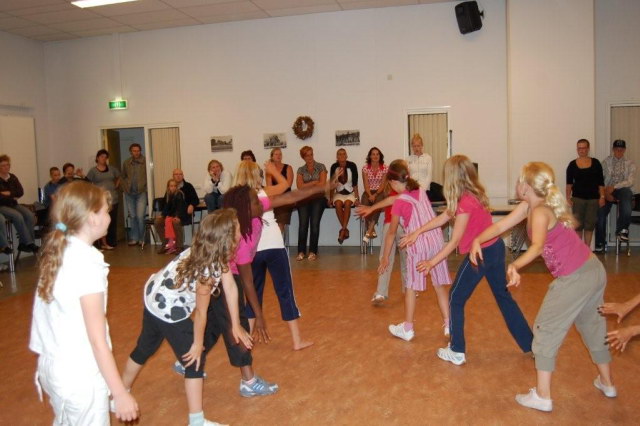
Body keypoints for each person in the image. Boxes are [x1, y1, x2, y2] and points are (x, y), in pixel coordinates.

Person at [470, 162, 615, 412]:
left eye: (519, 180)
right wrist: (477, 239)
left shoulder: (539, 212)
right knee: (592, 326)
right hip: (592, 270)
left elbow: (537, 247)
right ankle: (607, 383)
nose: (517, 183)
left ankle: (543, 396)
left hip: (575, 278)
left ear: (526, 186)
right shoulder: (531, 206)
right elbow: (501, 226)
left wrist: (514, 265)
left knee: (545, 328)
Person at [121, 209, 252, 426]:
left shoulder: (211, 250)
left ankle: (119, 394)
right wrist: (197, 345)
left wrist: (236, 325)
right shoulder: (207, 271)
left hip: (154, 296)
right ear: (227, 238)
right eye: (237, 229)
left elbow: (230, 287)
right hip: (168, 309)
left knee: (144, 348)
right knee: (195, 362)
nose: (241, 232)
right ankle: (196, 421)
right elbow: (200, 313)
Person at [400, 155, 532, 365]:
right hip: (495, 249)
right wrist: (418, 231)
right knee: (503, 297)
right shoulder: (471, 195)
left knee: (455, 297)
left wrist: (431, 262)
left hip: (481, 254)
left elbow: (454, 242)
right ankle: (530, 343)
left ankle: (457, 350)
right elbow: (443, 217)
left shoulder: (465, 202)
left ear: (453, 177)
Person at [29, 181, 139, 424]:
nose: (109, 217)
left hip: (53, 367)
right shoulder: (87, 263)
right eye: (106, 211)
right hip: (80, 374)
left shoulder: (60, 250)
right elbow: (97, 340)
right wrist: (119, 392)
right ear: (92, 217)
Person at [174, 183, 279, 399]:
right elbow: (247, 283)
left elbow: (290, 197)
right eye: (255, 201)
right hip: (218, 279)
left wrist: (320, 188)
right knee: (236, 326)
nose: (261, 204)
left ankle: (186, 360)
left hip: (226, 277)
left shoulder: (246, 224)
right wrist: (257, 316)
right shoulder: (228, 250)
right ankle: (248, 381)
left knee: (215, 324)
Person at [234, 160, 338, 350]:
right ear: (255, 175)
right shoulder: (263, 194)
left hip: (250, 253)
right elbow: (290, 192)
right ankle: (297, 341)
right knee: (285, 292)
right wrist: (274, 171)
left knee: (252, 294)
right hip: (274, 247)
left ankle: (246, 342)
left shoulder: (234, 200)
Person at [378, 159, 451, 341]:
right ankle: (449, 325)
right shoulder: (420, 191)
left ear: (393, 182)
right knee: (439, 286)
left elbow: (391, 233)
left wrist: (385, 257)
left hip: (417, 244)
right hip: (436, 241)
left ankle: (408, 328)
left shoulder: (399, 203)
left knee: (410, 287)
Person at [595, 139, 636, 251]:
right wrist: (604, 193)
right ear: (613, 149)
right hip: (606, 189)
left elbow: (630, 181)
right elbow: (599, 180)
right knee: (600, 213)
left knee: (627, 196)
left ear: (624, 150)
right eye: (617, 149)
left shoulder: (630, 163)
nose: (619, 151)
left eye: (621, 149)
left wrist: (614, 187)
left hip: (622, 189)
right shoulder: (605, 162)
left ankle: (622, 230)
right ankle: (600, 241)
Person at [566, 139, 605, 248]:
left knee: (590, 225)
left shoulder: (596, 163)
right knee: (578, 225)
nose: (581, 150)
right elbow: (569, 184)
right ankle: (579, 250)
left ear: (588, 149)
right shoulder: (572, 165)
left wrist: (602, 197)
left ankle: (587, 249)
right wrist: (568, 198)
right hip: (577, 199)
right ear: (577, 149)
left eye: (584, 148)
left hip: (593, 199)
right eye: (579, 148)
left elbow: (601, 182)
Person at [0, 154, 38, 253]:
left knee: (30, 215)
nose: (6, 167)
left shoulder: (12, 177)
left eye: (7, 165)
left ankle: (23, 243)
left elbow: (20, 192)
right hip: (2, 206)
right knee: (18, 216)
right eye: (3, 165)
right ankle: (29, 243)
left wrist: (9, 193)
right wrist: (12, 195)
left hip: (14, 204)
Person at [296, 146, 327, 261]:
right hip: (304, 198)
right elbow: (299, 187)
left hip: (318, 198)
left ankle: (313, 251)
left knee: (314, 224)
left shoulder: (321, 167)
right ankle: (301, 251)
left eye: (311, 154)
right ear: (303, 157)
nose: (310, 157)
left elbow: (322, 184)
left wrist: (307, 185)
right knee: (303, 225)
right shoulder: (300, 169)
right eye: (307, 155)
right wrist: (314, 182)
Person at [86, 149, 121, 250]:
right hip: (101, 200)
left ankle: (112, 242)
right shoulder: (93, 171)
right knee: (102, 221)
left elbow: (119, 176)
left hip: (113, 198)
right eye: (102, 157)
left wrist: (116, 185)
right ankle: (101, 243)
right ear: (97, 158)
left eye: (105, 157)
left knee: (112, 221)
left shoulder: (112, 169)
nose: (104, 159)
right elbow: (87, 182)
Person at [329, 148, 359, 244]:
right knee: (337, 204)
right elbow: (332, 184)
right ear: (337, 157)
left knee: (347, 204)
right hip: (338, 193)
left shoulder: (352, 166)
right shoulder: (334, 167)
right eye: (339, 154)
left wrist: (357, 198)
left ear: (346, 156)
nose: (342, 156)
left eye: (343, 154)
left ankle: (342, 231)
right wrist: (330, 198)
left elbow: (355, 184)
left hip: (350, 193)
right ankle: (345, 230)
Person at [121, 143, 147, 246]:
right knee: (133, 216)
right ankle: (134, 238)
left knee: (140, 216)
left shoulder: (145, 161)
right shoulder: (126, 163)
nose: (136, 152)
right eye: (134, 151)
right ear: (131, 152)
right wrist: (125, 188)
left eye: (138, 150)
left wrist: (145, 187)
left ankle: (142, 238)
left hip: (141, 193)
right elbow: (123, 176)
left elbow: (148, 176)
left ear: (140, 151)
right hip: (129, 193)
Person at [361, 147, 388, 243]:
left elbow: (383, 185)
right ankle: (371, 230)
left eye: (377, 154)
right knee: (364, 205)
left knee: (377, 205)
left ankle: (369, 230)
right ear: (370, 156)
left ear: (380, 156)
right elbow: (366, 185)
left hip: (379, 192)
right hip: (368, 191)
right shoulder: (365, 168)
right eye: (373, 154)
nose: (375, 156)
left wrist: (375, 195)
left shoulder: (385, 168)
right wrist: (370, 195)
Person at [266, 148, 294, 233]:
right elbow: (269, 188)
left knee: (280, 224)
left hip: (286, 199)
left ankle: (279, 239)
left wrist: (278, 196)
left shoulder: (288, 168)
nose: (279, 156)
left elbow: (288, 185)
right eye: (276, 154)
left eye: (280, 154)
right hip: (274, 199)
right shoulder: (269, 170)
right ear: (272, 156)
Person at [157, 178, 189, 254]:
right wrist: (162, 215)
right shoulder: (168, 195)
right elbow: (166, 207)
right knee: (157, 222)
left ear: (177, 187)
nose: (173, 187)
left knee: (175, 222)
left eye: (175, 186)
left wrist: (177, 216)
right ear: (168, 187)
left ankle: (179, 246)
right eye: (171, 186)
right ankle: (166, 243)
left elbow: (180, 208)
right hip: (170, 215)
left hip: (181, 215)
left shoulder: (179, 194)